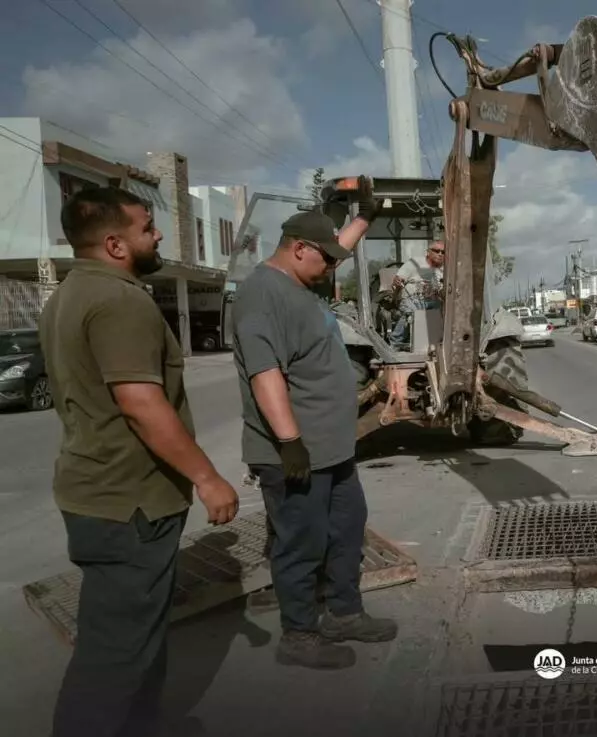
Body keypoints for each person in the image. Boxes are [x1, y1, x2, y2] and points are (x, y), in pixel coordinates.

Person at [38, 187, 240, 737]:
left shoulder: (68, 295)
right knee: (114, 657)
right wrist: (207, 477)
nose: (157, 237)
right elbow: (142, 405)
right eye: (148, 227)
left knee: (138, 639)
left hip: (101, 494)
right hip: (128, 504)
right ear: (114, 242)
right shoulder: (121, 301)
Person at [231, 189, 399, 671]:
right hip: (297, 452)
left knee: (346, 531)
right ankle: (299, 633)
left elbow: (336, 246)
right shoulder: (262, 294)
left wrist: (365, 216)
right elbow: (266, 376)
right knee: (300, 543)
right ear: (298, 247)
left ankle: (344, 613)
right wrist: (289, 443)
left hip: (333, 450)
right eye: (324, 258)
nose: (332, 266)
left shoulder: (301, 281)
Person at [379, 241, 445, 349]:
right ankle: (395, 343)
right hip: (412, 298)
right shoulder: (415, 263)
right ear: (428, 252)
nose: (440, 254)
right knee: (412, 313)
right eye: (437, 251)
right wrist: (397, 281)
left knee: (445, 315)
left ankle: (437, 345)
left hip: (434, 300)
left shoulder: (446, 269)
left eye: (443, 252)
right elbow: (398, 279)